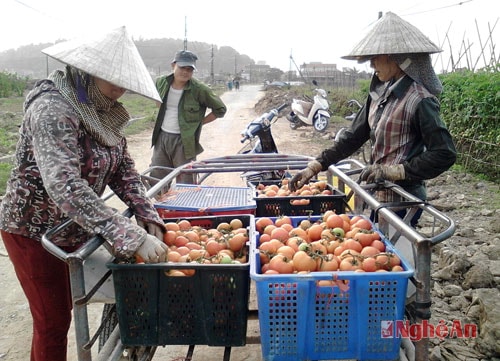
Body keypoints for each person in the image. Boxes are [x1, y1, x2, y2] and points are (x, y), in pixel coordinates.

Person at [0, 26, 168, 361]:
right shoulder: (53, 108)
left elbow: (123, 169)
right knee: (53, 319)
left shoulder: (102, 110)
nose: (120, 88)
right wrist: (127, 234)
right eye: (112, 78)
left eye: (125, 81)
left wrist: (148, 215)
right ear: (88, 71)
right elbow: (64, 185)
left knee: (66, 307)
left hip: (73, 227)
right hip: (33, 230)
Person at [290, 12, 457, 227]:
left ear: (395, 59)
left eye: (375, 58)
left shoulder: (420, 101)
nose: (371, 65)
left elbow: (444, 153)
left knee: (392, 254)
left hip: (404, 201)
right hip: (379, 198)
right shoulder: (379, 93)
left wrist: (396, 171)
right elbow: (353, 137)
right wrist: (314, 166)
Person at [150, 50, 227, 184]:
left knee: (186, 180)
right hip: (162, 137)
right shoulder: (161, 82)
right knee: (157, 178)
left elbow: (220, 109)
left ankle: (184, 203)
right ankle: (162, 204)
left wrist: (198, 123)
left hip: (185, 141)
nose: (185, 72)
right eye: (182, 67)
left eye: (189, 69)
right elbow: (158, 100)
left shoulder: (199, 89)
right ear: (173, 65)